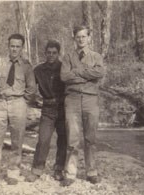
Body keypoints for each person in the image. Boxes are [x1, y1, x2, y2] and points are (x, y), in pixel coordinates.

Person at [0, 33, 36, 189]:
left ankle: (13, 172)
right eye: (12, 46)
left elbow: (31, 88)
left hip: (18, 103)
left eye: (18, 46)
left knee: (17, 141)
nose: (14, 49)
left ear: (22, 48)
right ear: (8, 46)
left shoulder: (26, 66)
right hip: (0, 104)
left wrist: (22, 102)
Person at [60, 25, 106, 186]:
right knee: (72, 137)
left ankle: (91, 171)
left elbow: (99, 73)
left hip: (90, 99)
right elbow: (64, 77)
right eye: (78, 36)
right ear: (74, 38)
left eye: (84, 36)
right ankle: (70, 173)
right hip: (72, 99)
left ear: (89, 38)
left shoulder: (96, 56)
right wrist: (87, 73)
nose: (81, 39)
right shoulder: (67, 57)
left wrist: (77, 72)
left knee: (90, 137)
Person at [24, 40, 67, 182]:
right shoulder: (38, 70)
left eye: (54, 53)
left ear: (58, 53)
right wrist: (34, 101)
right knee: (43, 139)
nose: (51, 55)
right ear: (45, 53)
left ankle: (59, 169)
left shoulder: (64, 68)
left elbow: (72, 86)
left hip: (63, 108)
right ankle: (37, 170)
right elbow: (29, 87)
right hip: (47, 109)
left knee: (63, 139)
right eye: (48, 52)